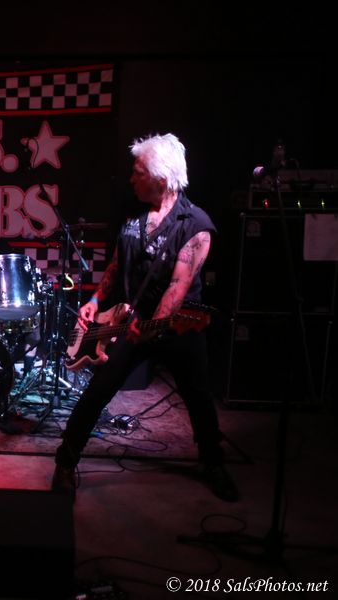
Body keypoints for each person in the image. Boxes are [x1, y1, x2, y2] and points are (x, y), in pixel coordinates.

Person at [51, 133, 239, 502]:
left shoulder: (195, 225)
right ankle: (65, 462)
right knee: (98, 391)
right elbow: (116, 264)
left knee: (198, 397)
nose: (131, 178)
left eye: (138, 172)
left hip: (177, 323)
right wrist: (95, 300)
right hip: (132, 321)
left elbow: (178, 286)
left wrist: (152, 327)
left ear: (160, 177)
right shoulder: (133, 216)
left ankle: (213, 463)